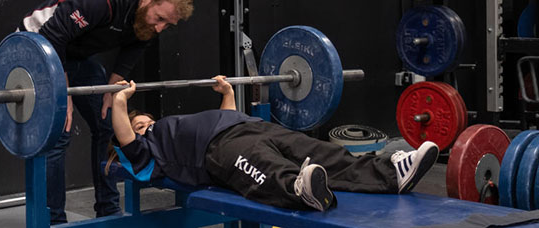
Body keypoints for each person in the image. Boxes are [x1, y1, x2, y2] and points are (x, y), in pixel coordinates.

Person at [108, 77, 439, 212]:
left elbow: (227, 116)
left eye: (146, 121)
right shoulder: (148, 151)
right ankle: (300, 192)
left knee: (320, 151)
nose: (145, 126)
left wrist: (227, 93)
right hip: (217, 151)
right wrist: (120, 101)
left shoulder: (171, 124)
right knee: (266, 169)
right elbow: (127, 141)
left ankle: (392, 174)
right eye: (139, 127)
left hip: (247, 126)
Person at [19, 0, 194, 224]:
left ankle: (108, 211)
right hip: (34, 45)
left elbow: (139, 42)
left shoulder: (150, 12)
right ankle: (53, 221)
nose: (160, 28)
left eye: (168, 24)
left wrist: (113, 87)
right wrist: (61, 93)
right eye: (160, 19)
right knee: (59, 131)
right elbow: (53, 35)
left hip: (75, 55)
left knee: (109, 123)